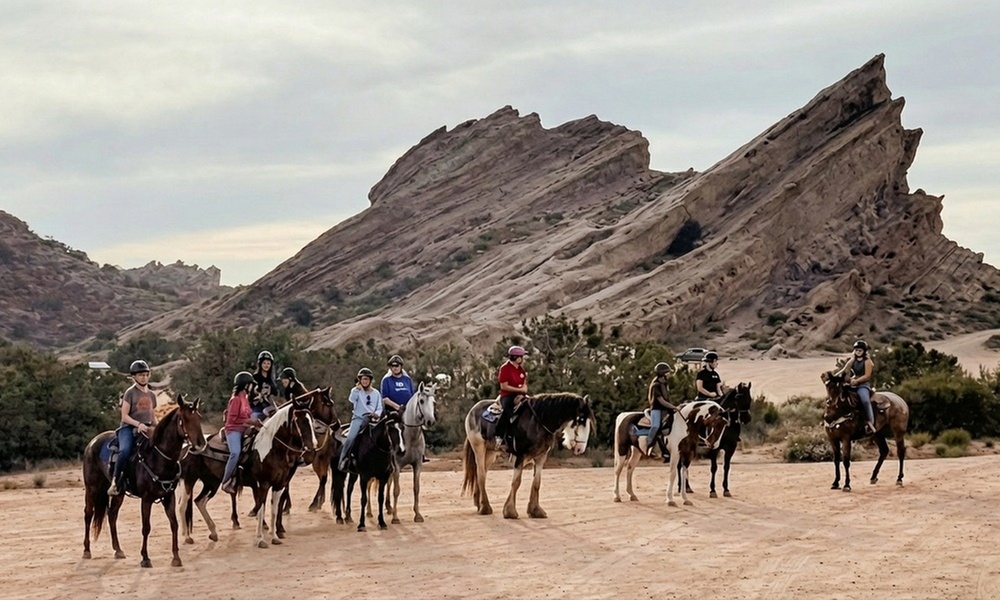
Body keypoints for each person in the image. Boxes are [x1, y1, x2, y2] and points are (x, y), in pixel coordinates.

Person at [108, 360, 158, 496]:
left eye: (146, 374)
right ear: (134, 377)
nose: (144, 377)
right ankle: (115, 482)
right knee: (124, 451)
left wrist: (159, 428)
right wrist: (138, 424)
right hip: (128, 428)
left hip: (147, 428)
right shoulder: (130, 393)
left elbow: (152, 416)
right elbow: (124, 416)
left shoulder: (152, 395)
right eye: (141, 375)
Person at [221, 371, 261, 495]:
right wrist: (251, 421)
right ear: (245, 385)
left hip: (244, 428)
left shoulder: (245, 398)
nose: (252, 387)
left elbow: (249, 413)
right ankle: (225, 481)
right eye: (250, 384)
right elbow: (232, 419)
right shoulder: (236, 400)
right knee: (235, 452)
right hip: (233, 430)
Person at [337, 368, 384, 471]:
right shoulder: (355, 391)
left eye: (366, 379)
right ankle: (343, 460)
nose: (364, 381)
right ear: (359, 380)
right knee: (350, 438)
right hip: (359, 419)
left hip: (373, 420)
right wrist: (357, 390)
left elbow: (379, 407)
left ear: (370, 380)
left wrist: (376, 414)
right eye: (362, 379)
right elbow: (351, 399)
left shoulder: (376, 393)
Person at [835, 340, 876, 434]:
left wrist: (856, 381)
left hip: (863, 385)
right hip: (852, 383)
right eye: (856, 350)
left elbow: (867, 376)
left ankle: (870, 422)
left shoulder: (867, 361)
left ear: (864, 351)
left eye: (860, 350)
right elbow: (844, 370)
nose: (858, 352)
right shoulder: (853, 360)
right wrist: (834, 377)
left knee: (865, 400)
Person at [495, 345, 528, 446]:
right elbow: (504, 386)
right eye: (521, 356)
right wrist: (519, 390)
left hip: (520, 395)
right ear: (516, 357)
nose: (523, 359)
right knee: (508, 412)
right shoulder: (505, 368)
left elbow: (525, 386)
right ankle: (500, 435)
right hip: (507, 396)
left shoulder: (521, 370)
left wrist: (522, 393)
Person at [644, 362, 678, 456]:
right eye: (667, 372)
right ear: (662, 373)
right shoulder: (656, 385)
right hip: (656, 409)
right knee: (655, 426)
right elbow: (661, 401)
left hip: (665, 409)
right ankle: (649, 444)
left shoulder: (665, 384)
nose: (669, 374)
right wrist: (673, 407)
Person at [251, 350, 279, 419]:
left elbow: (275, 393)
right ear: (260, 364)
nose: (266, 365)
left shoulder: (271, 379)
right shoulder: (255, 377)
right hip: (257, 406)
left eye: (268, 363)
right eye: (264, 363)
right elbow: (251, 394)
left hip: (269, 406)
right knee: (254, 417)